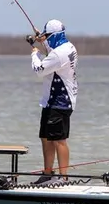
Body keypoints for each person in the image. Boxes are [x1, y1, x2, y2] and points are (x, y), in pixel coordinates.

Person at [27, 19, 79, 184]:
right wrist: (42, 41)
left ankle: (64, 178)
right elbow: (51, 52)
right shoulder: (68, 46)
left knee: (59, 139)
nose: (45, 38)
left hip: (60, 101)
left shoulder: (59, 54)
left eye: (47, 35)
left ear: (55, 35)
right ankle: (47, 173)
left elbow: (39, 70)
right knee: (46, 137)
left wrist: (34, 52)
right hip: (51, 100)